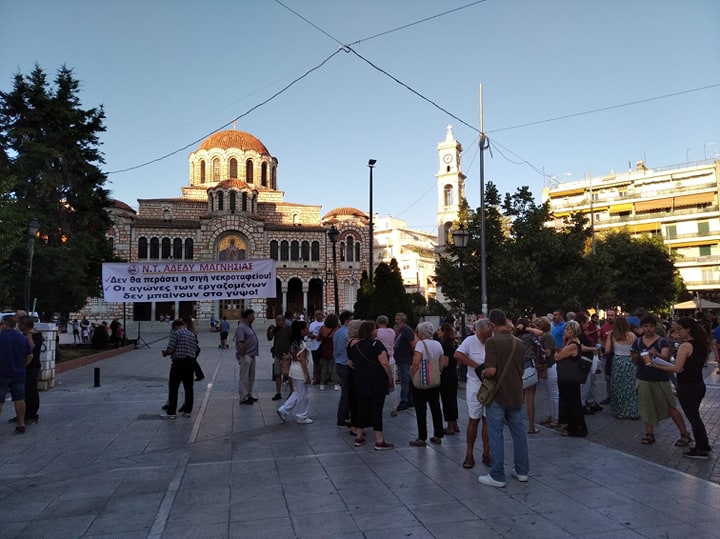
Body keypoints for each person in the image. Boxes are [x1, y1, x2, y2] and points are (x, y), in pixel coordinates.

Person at [477, 309, 529, 488]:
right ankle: (522, 471)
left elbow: (491, 370)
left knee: (496, 434)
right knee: (518, 433)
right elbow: (521, 369)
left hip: (498, 395)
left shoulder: (492, 342)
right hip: (516, 393)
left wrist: (483, 371)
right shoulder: (519, 342)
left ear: (492, 325)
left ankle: (497, 475)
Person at [651, 317, 711, 459]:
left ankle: (702, 448)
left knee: (693, 417)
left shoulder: (685, 346)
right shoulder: (702, 344)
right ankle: (702, 445)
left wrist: (656, 365)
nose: (678, 332)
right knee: (695, 416)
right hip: (698, 384)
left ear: (688, 329)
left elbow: (677, 368)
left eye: (680, 329)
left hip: (687, 386)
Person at [631, 315, 691, 446]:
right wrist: (634, 356)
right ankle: (649, 434)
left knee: (670, 406)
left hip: (660, 379)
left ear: (655, 327)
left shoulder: (662, 341)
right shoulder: (638, 342)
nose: (648, 329)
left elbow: (665, 357)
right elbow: (634, 360)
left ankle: (684, 433)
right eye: (645, 326)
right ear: (642, 327)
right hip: (643, 377)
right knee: (646, 406)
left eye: (651, 326)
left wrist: (656, 354)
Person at [347, 320, 394, 450]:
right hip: (377, 381)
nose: (376, 331)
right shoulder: (376, 344)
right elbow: (385, 363)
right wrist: (390, 377)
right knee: (376, 410)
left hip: (361, 381)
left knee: (362, 408)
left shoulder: (355, 346)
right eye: (374, 329)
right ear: (370, 331)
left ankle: (359, 437)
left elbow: (350, 363)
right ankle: (379, 440)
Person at [454, 319, 493, 469]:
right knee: (474, 419)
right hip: (475, 385)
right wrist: (477, 367)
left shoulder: (492, 341)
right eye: (484, 336)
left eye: (488, 335)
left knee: (487, 420)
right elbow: (458, 355)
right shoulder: (470, 341)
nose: (486, 338)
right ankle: (469, 454)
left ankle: (486, 453)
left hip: (490, 385)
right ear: (477, 331)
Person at [409, 322, 448, 447]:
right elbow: (442, 362)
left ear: (421, 332)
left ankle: (422, 437)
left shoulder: (420, 344)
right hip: (434, 381)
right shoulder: (438, 344)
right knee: (436, 407)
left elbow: (416, 362)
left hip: (421, 381)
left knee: (421, 409)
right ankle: (438, 434)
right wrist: (437, 372)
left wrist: (412, 374)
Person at [554, 320, 588, 437]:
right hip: (568, 377)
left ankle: (573, 428)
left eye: (569, 329)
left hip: (568, 378)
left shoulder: (573, 345)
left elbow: (557, 357)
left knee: (571, 402)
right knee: (572, 401)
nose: (566, 331)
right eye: (566, 329)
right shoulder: (572, 343)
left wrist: (560, 349)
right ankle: (574, 427)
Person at [277, 320, 314, 424]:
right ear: (301, 331)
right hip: (300, 371)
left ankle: (284, 409)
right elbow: (302, 361)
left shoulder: (294, 342)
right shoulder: (301, 344)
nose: (307, 330)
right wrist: (306, 376)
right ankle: (302, 415)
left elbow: (292, 355)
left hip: (294, 370)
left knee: (297, 392)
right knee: (303, 395)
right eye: (306, 328)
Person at [0, 315, 32, 434]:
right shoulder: (22, 338)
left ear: (6, 324)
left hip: (2, 373)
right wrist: (23, 367)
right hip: (18, 373)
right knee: (19, 399)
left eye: (1, 323)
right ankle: (21, 424)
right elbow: (30, 355)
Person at [160, 319, 198, 419]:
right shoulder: (191, 334)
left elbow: (170, 349)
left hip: (179, 363)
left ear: (175, 326)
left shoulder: (176, 334)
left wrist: (165, 353)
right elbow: (195, 349)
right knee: (189, 388)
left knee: (173, 388)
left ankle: (172, 412)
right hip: (190, 363)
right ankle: (187, 412)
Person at [606, 316, 638, 420]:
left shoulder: (613, 335)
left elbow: (607, 350)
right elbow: (637, 349)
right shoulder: (632, 335)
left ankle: (621, 411)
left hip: (618, 361)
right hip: (630, 361)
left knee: (618, 387)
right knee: (631, 387)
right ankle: (633, 411)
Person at [531, 316, 558, 428]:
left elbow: (547, 353)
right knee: (547, 394)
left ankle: (556, 417)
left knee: (553, 393)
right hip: (543, 367)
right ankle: (549, 415)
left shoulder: (547, 338)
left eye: (536, 327)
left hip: (550, 366)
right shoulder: (541, 338)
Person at [15, 316, 43, 425]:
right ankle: (23, 414)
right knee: (24, 392)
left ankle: (32, 415)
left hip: (32, 367)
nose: (18, 326)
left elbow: (31, 347)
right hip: (25, 367)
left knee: (31, 391)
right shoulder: (25, 335)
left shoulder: (34, 335)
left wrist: (29, 335)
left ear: (24, 325)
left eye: (20, 324)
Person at [515, 318, 540, 434]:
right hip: (529, 365)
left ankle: (517, 423)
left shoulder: (515, 338)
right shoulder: (530, 337)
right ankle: (531, 426)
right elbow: (541, 334)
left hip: (517, 367)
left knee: (519, 398)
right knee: (530, 398)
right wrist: (529, 328)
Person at [437, 322, 459, 434]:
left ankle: (450, 427)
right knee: (453, 400)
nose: (437, 332)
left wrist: (437, 372)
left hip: (446, 377)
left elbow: (444, 363)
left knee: (447, 401)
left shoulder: (444, 345)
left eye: (439, 330)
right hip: (453, 374)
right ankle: (455, 424)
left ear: (444, 332)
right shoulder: (454, 343)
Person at [375, 315, 398, 417]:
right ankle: (394, 407)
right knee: (392, 383)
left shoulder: (377, 333)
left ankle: (378, 407)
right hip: (391, 359)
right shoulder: (392, 332)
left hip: (380, 359)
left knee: (378, 383)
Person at [334, 311, 353, 428]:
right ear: (347, 320)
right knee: (347, 393)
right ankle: (342, 417)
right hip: (346, 364)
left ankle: (344, 415)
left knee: (346, 391)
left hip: (339, 363)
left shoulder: (337, 332)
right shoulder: (347, 333)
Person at [235, 309, 259, 405]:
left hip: (252, 355)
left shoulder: (249, 326)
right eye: (253, 316)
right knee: (244, 377)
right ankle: (243, 397)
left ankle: (249, 394)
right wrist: (243, 355)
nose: (254, 318)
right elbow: (241, 343)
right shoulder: (241, 327)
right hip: (246, 355)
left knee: (251, 376)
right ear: (248, 316)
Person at [393, 312, 416, 411]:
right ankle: (409, 399)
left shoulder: (407, 330)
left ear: (402, 320)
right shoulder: (402, 330)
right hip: (401, 358)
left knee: (404, 380)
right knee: (406, 379)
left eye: (397, 319)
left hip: (404, 358)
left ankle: (404, 401)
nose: (396, 321)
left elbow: (412, 344)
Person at [268, 314, 292, 401]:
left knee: (288, 374)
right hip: (277, 354)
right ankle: (278, 392)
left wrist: (290, 353)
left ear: (283, 321)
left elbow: (292, 341)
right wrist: (271, 331)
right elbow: (269, 338)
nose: (277, 322)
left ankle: (292, 392)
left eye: (279, 320)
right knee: (277, 374)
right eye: (276, 320)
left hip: (286, 355)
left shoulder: (289, 329)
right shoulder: (275, 330)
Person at [598, 308, 617, 405]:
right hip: (606, 356)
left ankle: (618, 396)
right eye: (608, 315)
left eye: (612, 315)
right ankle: (609, 396)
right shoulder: (603, 327)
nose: (609, 317)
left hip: (617, 354)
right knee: (608, 377)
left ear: (615, 316)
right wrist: (603, 347)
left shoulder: (619, 327)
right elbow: (600, 339)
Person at [317, 313, 339, 390]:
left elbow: (318, 338)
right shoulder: (337, 329)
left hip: (324, 349)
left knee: (324, 367)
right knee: (334, 367)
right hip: (333, 349)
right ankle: (336, 384)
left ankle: (322, 383)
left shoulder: (322, 328)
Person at [184, 317, 205, 382]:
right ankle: (199, 375)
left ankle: (199, 375)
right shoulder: (192, 330)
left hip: (192, 349)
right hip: (195, 349)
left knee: (192, 363)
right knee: (193, 363)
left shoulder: (189, 331)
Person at [307, 310, 325, 385]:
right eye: (317, 314)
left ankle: (324, 377)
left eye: (320, 314)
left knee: (324, 362)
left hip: (323, 346)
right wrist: (315, 336)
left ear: (322, 315)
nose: (318, 316)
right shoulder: (312, 324)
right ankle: (316, 377)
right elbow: (309, 334)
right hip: (314, 346)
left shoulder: (325, 324)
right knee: (316, 362)